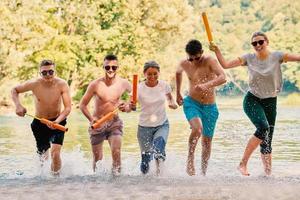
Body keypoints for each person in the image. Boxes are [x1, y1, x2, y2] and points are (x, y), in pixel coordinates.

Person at [210, 31, 300, 176]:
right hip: (253, 100)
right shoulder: (248, 58)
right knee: (263, 128)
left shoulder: (278, 56)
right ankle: (242, 164)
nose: (257, 45)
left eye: (260, 42)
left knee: (267, 139)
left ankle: (267, 174)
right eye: (254, 43)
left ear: (267, 42)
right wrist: (217, 50)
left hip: (271, 101)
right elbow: (226, 65)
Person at [11, 59, 71, 175]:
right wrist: (18, 106)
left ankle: (55, 180)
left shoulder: (62, 84)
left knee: (55, 153)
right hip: (39, 123)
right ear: (40, 73)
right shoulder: (34, 84)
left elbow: (68, 108)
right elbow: (14, 90)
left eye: (50, 72)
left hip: (58, 121)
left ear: (55, 71)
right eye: (44, 73)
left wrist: (57, 122)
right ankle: (42, 182)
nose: (48, 75)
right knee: (43, 156)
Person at [176, 39, 226, 176]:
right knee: (197, 129)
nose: (194, 61)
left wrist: (207, 85)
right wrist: (178, 93)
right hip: (192, 103)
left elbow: (223, 77)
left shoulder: (210, 61)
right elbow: (178, 73)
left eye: (197, 58)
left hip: (210, 107)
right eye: (191, 59)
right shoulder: (184, 63)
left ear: (202, 53)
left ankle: (203, 173)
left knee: (207, 142)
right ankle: (190, 160)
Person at [79, 54, 132, 175]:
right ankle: (98, 186)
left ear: (118, 67)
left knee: (116, 152)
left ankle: (116, 183)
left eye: (114, 67)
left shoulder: (124, 83)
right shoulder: (95, 84)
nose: (111, 70)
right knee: (98, 159)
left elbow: (135, 98)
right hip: (97, 123)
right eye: (107, 67)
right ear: (103, 67)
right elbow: (82, 105)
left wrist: (127, 105)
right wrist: (91, 119)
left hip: (114, 123)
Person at [134, 61, 177, 175]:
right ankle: (145, 181)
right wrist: (128, 106)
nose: (152, 76)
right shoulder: (138, 88)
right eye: (149, 74)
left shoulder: (164, 85)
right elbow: (131, 104)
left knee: (159, 148)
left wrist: (172, 103)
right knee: (145, 161)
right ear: (144, 74)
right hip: (144, 127)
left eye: (155, 73)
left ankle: (160, 176)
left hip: (162, 124)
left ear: (159, 73)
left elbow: (170, 99)